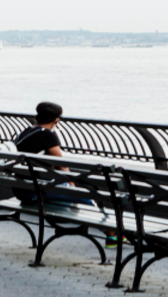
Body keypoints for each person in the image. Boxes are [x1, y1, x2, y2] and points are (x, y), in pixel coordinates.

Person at [12, 101, 121, 248]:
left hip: (20, 190)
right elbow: (61, 164)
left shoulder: (24, 132)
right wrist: (71, 185)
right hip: (35, 192)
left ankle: (110, 232)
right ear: (56, 120)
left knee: (72, 193)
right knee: (87, 197)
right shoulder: (47, 135)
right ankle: (112, 236)